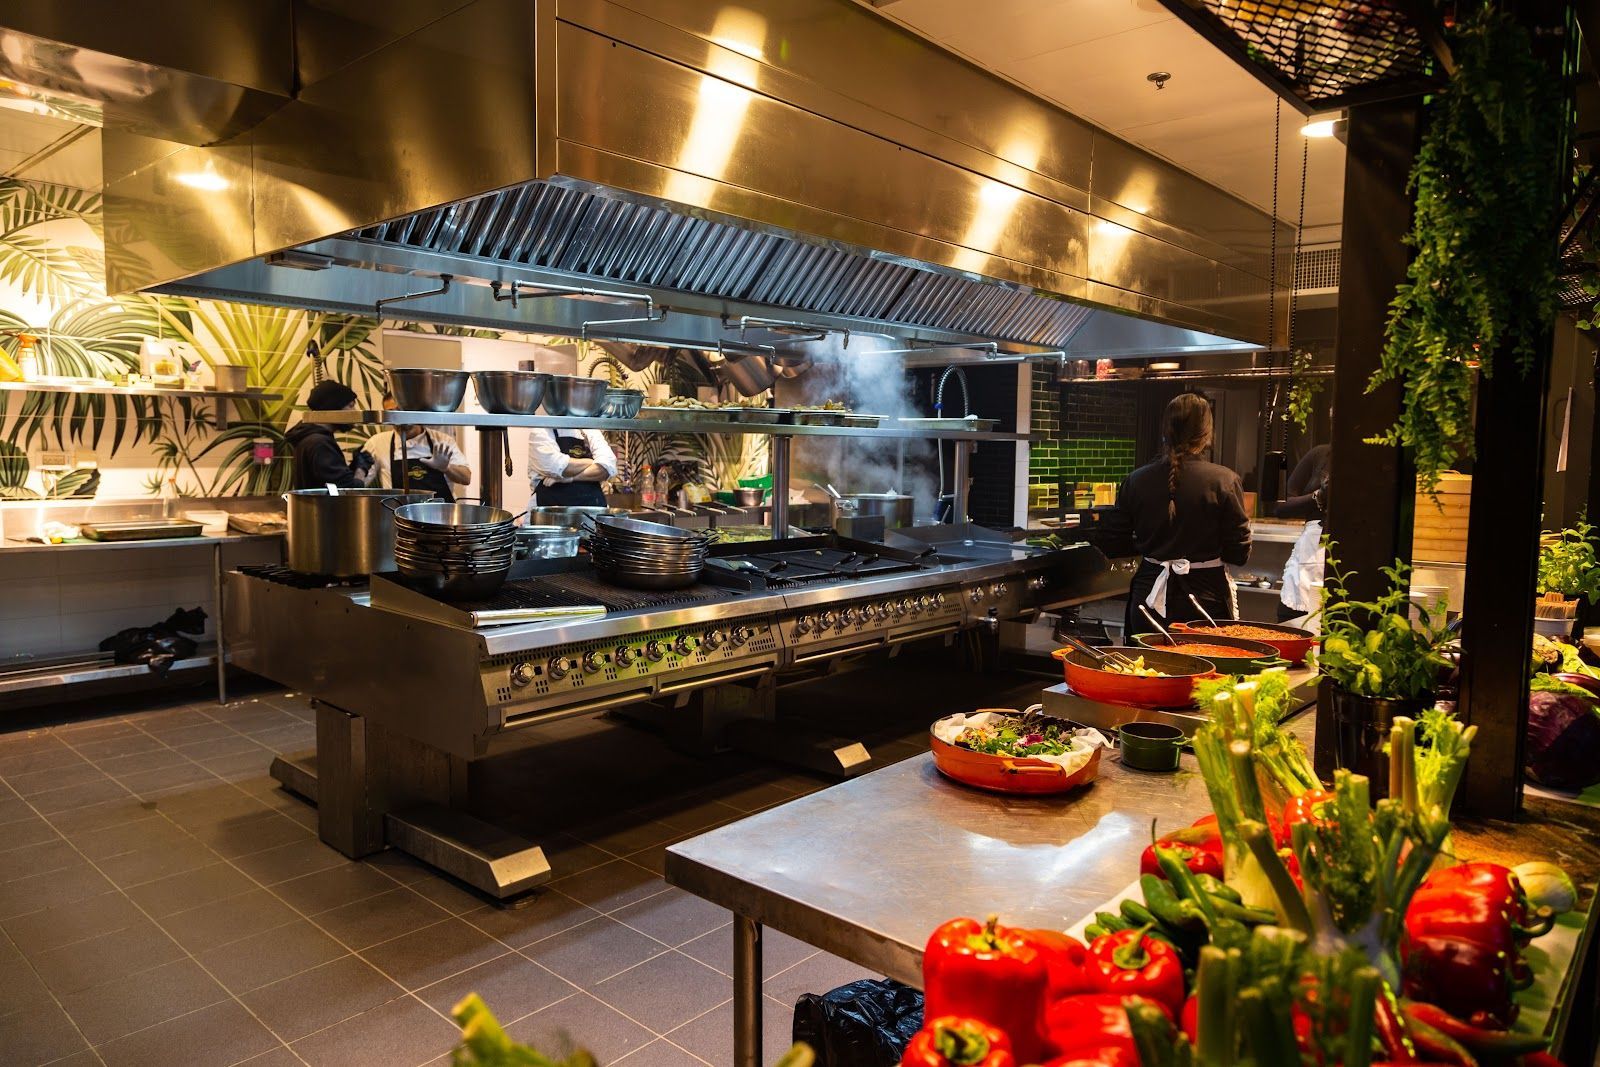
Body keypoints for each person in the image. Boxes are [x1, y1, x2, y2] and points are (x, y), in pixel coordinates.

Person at [1102, 392, 1251, 640]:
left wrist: (1151, 547)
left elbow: (1114, 543)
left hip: (1148, 595)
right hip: (1204, 599)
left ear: (1166, 430)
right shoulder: (1224, 480)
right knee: (1204, 674)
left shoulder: (1136, 480)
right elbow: (1239, 553)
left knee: (1144, 671)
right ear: (1206, 433)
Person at [359, 392, 471, 500]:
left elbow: (466, 478)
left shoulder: (442, 440)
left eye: (402, 410)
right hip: (399, 515)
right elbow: (359, 484)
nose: (399, 417)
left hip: (441, 514)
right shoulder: (377, 443)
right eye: (392, 412)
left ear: (414, 410)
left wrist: (446, 468)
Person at [1275, 443, 1330, 622]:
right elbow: (1282, 507)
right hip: (1308, 558)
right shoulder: (1320, 454)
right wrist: (1318, 496)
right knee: (1290, 621)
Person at [286, 380, 370, 490]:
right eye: (350, 406)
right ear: (333, 408)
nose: (355, 411)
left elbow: (331, 483)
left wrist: (353, 467)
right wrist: (361, 469)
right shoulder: (320, 443)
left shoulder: (310, 438)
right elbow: (348, 490)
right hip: (323, 507)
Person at [528, 426, 617, 508]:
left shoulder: (590, 429)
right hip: (551, 513)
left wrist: (569, 478)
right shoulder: (541, 430)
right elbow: (559, 467)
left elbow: (606, 468)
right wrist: (592, 462)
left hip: (589, 512)